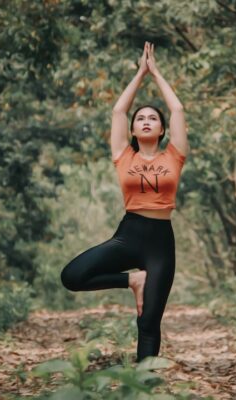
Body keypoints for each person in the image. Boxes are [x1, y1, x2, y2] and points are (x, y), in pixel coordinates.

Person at [60, 41, 189, 363]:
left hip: (161, 242)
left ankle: (143, 386)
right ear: (132, 129)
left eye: (152, 119)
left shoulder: (174, 156)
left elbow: (178, 110)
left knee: (148, 322)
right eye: (140, 118)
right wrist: (139, 73)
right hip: (129, 234)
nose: (146, 120)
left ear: (161, 130)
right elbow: (118, 110)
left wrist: (156, 73)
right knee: (72, 276)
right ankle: (133, 280)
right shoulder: (123, 156)